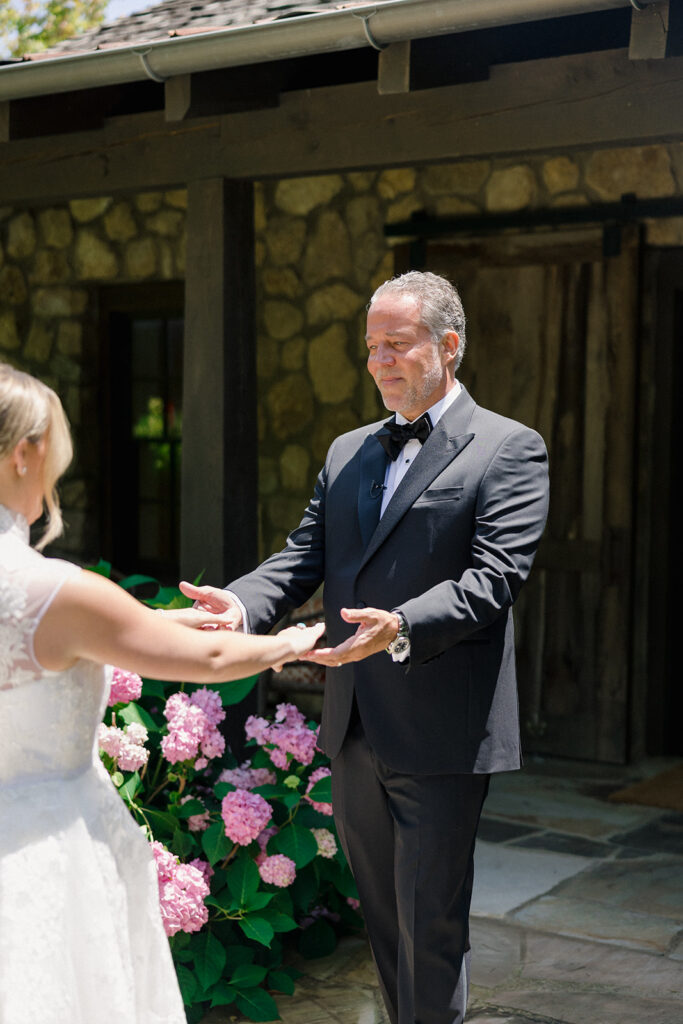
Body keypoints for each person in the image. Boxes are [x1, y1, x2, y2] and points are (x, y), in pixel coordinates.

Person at [181, 271, 550, 1024]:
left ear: (448, 346)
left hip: (443, 731)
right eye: (370, 346)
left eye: (397, 344)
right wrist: (243, 602)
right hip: (353, 729)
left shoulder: (509, 448)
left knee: (431, 927)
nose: (380, 360)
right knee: (384, 922)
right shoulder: (348, 448)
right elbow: (303, 554)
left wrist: (403, 624)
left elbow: (493, 577)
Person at [0, 363, 323, 1024]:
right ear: (24, 453)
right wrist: (295, 643)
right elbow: (206, 658)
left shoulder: (58, 601)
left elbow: (78, 641)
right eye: (55, 456)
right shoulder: (52, 588)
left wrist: (157, 623)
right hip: (50, 851)